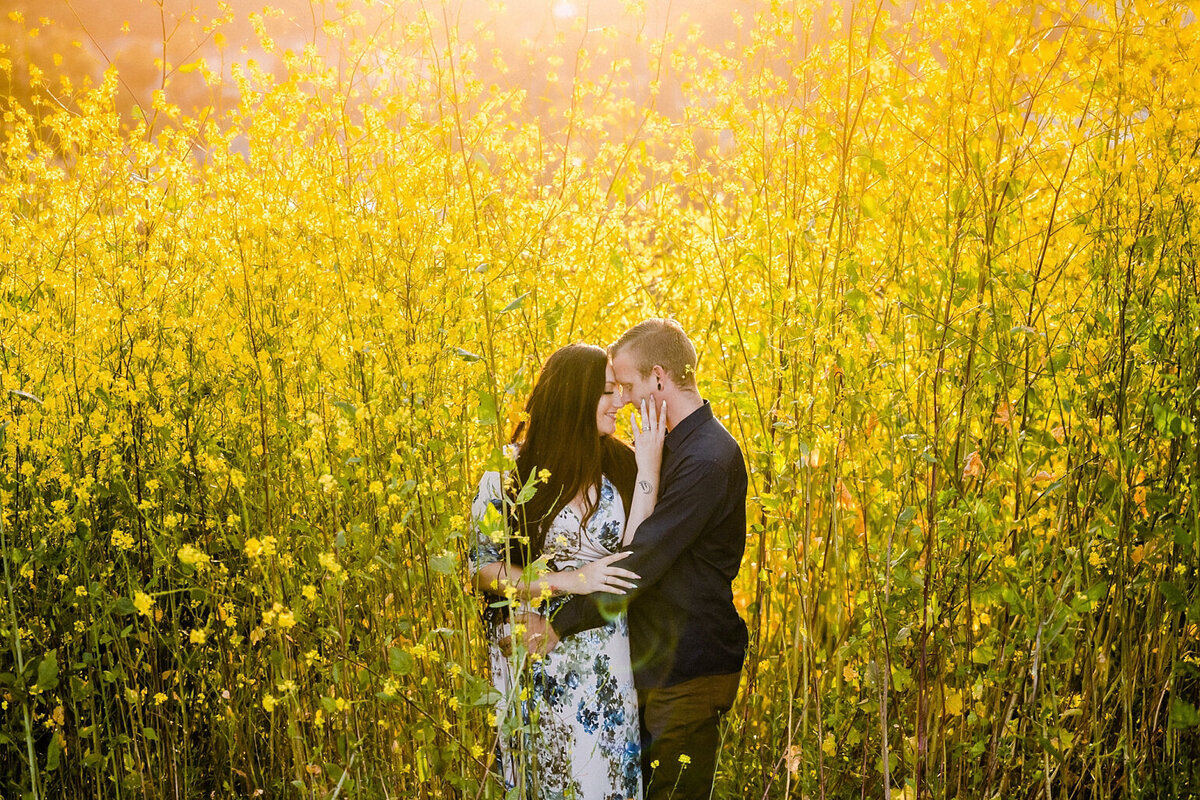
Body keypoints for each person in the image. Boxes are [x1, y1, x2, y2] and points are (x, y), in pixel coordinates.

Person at [520, 319, 749, 800]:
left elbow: (643, 558)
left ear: (660, 379)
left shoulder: (706, 458)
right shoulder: (674, 446)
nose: (621, 399)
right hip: (659, 664)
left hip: (690, 666)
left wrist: (562, 623)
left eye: (626, 385)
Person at [468, 343, 667, 800]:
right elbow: (483, 568)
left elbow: (632, 557)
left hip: (607, 654)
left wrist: (649, 467)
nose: (620, 402)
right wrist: (567, 580)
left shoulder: (620, 463)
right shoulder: (507, 473)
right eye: (607, 392)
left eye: (619, 390)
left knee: (604, 782)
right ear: (574, 398)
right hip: (539, 658)